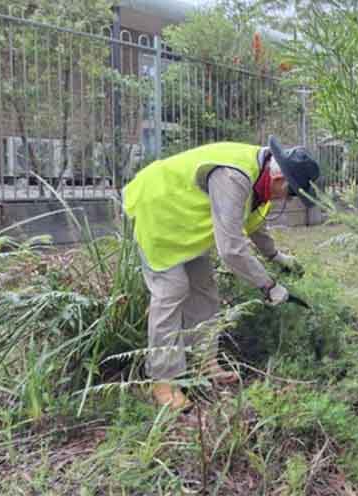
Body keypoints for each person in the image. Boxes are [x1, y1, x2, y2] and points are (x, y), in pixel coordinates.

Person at [122, 136, 320, 409]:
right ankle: (163, 383)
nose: (291, 198)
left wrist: (276, 256)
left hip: (186, 225)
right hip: (159, 211)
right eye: (293, 192)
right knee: (172, 291)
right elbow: (230, 249)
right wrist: (268, 285)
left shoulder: (259, 178)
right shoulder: (235, 177)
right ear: (279, 180)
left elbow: (254, 225)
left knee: (204, 289)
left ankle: (204, 361)